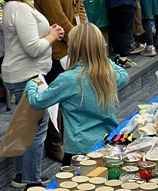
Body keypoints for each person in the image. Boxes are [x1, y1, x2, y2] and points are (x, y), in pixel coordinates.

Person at [24, 23, 129, 168]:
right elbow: (124, 75)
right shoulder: (109, 74)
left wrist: (31, 84)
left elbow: (37, 101)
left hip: (80, 149)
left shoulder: (68, 79)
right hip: (111, 142)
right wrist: (103, 60)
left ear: (72, 48)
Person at [1, 0, 64, 191]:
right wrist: (52, 35)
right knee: (37, 127)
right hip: (26, 75)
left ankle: (22, 174)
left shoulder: (18, 6)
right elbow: (33, 48)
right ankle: (32, 183)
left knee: (26, 126)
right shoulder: (19, 9)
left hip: (25, 73)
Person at [34, 0, 87, 162]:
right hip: (56, 49)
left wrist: (84, 32)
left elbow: (79, 6)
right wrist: (79, 38)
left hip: (72, 45)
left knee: (73, 97)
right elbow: (57, 17)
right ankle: (54, 143)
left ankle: (68, 139)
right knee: (56, 98)